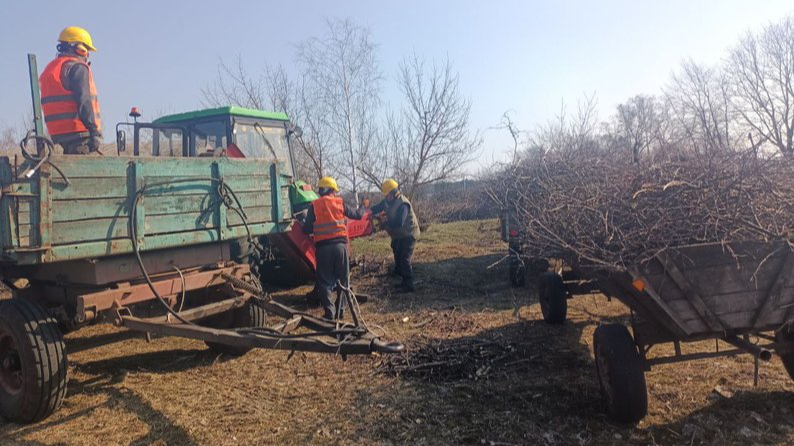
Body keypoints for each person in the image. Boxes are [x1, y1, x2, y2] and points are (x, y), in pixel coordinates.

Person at [302, 177, 364, 319]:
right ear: (331, 190)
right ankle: (340, 310)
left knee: (324, 282)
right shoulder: (339, 202)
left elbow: (306, 229)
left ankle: (330, 313)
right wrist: (363, 206)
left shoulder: (314, 205)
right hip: (340, 247)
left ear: (321, 190)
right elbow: (358, 215)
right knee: (344, 281)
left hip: (323, 249)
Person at [39, 27, 102, 155]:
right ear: (77, 48)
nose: (87, 56)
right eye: (85, 51)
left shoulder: (50, 70)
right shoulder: (77, 67)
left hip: (58, 133)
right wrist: (94, 131)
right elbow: (84, 100)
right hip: (79, 132)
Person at [371, 179, 421, 292]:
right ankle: (400, 275)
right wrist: (367, 211)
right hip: (399, 234)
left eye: (387, 195)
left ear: (394, 193)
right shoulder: (387, 201)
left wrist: (384, 223)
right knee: (396, 250)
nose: (386, 197)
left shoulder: (403, 204)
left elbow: (399, 222)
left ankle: (409, 284)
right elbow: (377, 208)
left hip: (409, 233)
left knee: (404, 257)